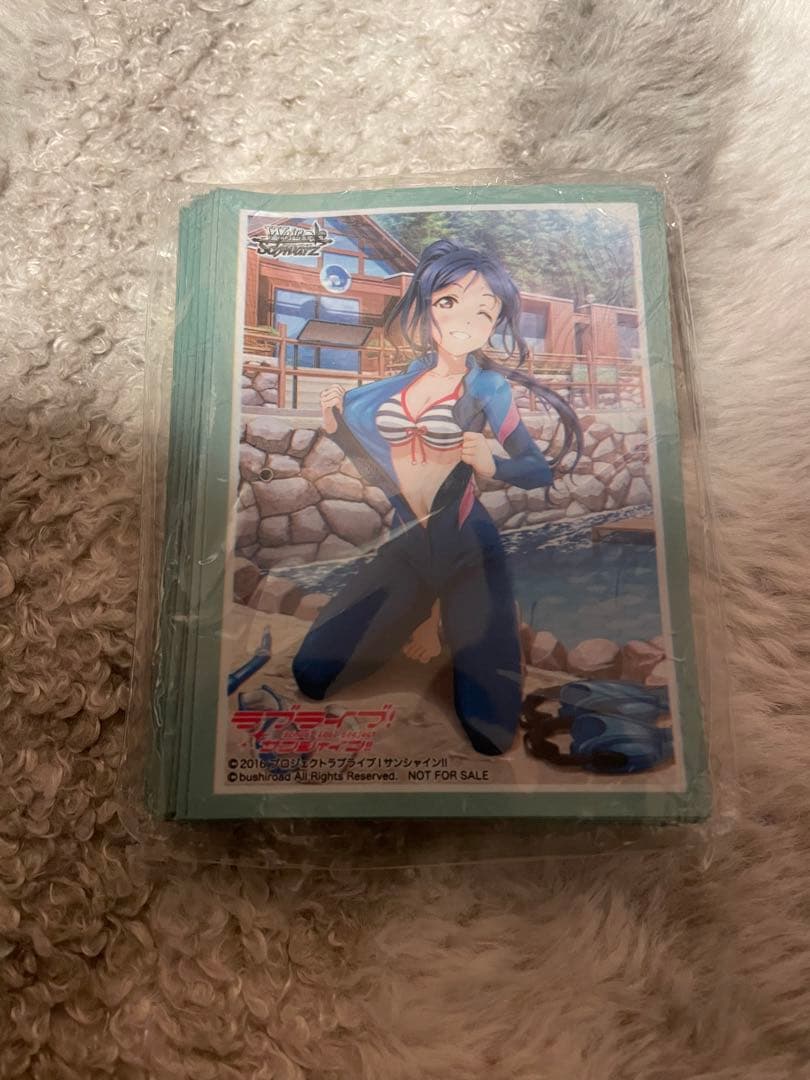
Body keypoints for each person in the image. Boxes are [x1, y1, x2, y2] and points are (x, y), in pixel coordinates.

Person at [292, 239, 581, 756]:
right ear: (427, 307)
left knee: (490, 733)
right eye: (449, 302)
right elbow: (384, 478)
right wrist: (339, 433)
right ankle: (421, 607)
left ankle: (442, 613)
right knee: (311, 674)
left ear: (493, 325)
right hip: (408, 549)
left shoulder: (487, 388)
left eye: (483, 311)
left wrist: (493, 465)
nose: (465, 321)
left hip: (469, 551)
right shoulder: (398, 384)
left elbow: (537, 470)